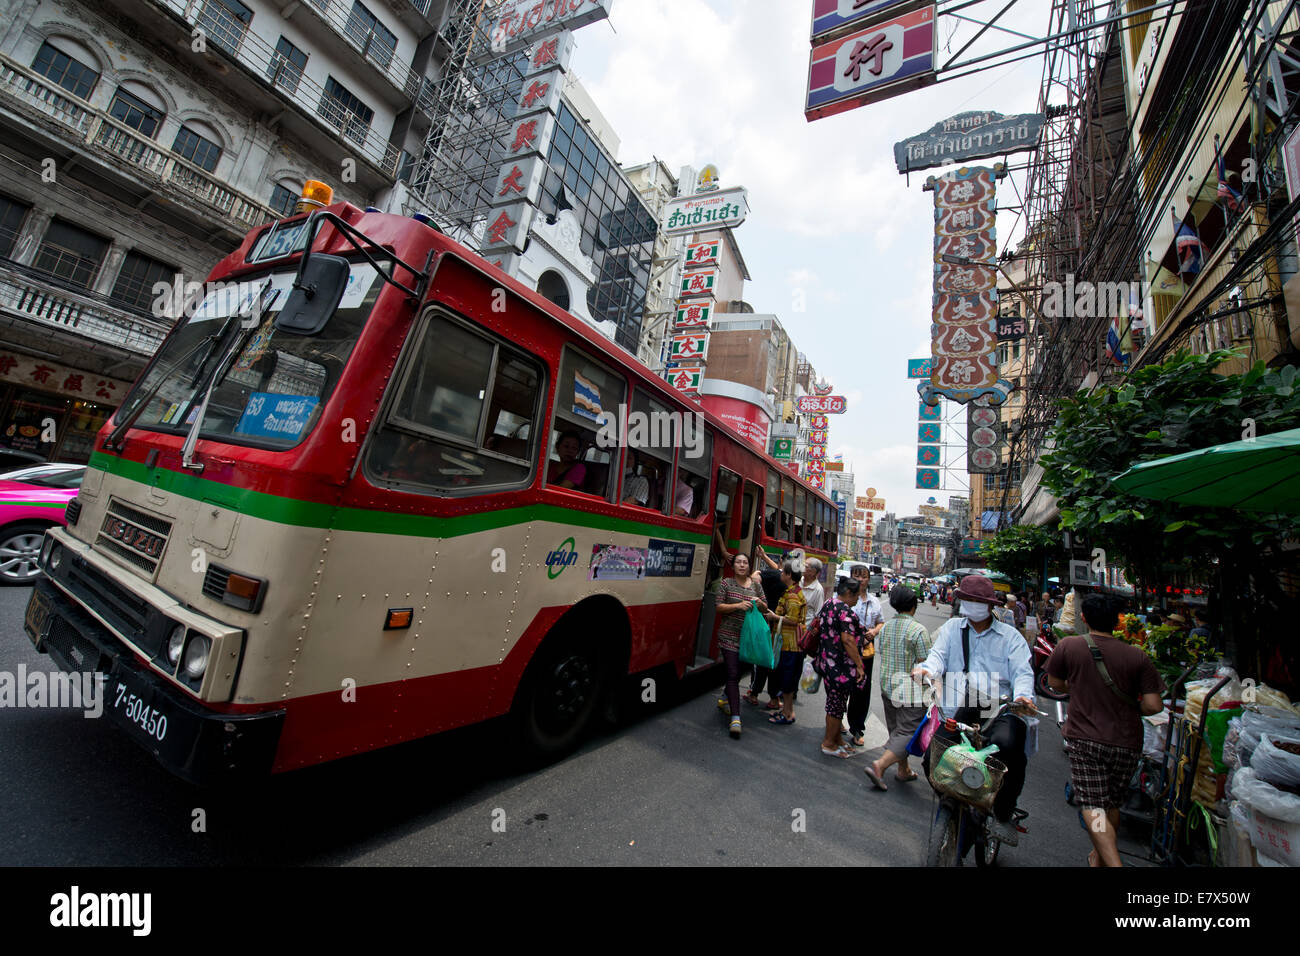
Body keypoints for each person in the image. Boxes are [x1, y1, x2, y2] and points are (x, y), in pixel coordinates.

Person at [912, 573, 1035, 844]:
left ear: (990, 605)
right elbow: (937, 657)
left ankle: (1002, 813)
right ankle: (955, 799)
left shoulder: (1010, 637)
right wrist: (926, 670)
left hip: (999, 707)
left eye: (976, 601)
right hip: (959, 706)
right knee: (932, 758)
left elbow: (1022, 672)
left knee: (1010, 748)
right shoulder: (952, 629)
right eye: (966, 599)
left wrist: (1024, 696)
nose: (970, 605)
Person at [1046, 593, 1165, 867]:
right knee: (1112, 804)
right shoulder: (1137, 656)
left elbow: (1055, 683)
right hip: (1127, 741)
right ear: (1117, 621)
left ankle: (1113, 863)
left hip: (1086, 739)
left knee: (1092, 805)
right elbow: (1153, 705)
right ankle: (1098, 858)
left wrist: (1079, 691)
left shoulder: (1070, 647)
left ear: (1084, 618)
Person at [864, 584, 934, 789]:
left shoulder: (885, 627)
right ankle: (880, 765)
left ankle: (903, 770)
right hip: (910, 693)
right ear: (914, 606)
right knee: (907, 733)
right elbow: (926, 663)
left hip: (888, 686)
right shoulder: (918, 630)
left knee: (897, 731)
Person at [811, 577, 869, 758]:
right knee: (836, 706)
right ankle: (828, 743)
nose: (858, 600)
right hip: (840, 668)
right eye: (857, 596)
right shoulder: (845, 611)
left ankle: (837, 740)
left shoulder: (830, 603)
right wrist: (859, 665)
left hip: (827, 662)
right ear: (849, 593)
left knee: (837, 703)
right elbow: (848, 640)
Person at [714, 552, 768, 738]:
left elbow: (765, 608)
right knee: (733, 673)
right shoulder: (726, 584)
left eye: (745, 562)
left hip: (749, 640)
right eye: (739, 562)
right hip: (728, 635)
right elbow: (719, 607)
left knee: (737, 674)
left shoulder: (756, 586)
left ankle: (725, 698)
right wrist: (738, 606)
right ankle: (736, 718)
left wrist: (758, 603)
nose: (742, 565)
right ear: (733, 565)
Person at [845, 564, 884, 748]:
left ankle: (857, 727)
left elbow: (881, 622)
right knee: (843, 686)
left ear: (869, 579)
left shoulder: (874, 602)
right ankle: (837, 722)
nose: (860, 580)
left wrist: (874, 632)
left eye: (864, 577)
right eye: (856, 576)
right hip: (845, 649)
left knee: (862, 689)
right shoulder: (845, 597)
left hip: (866, 651)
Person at [765, 562, 807, 726]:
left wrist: (774, 617)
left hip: (791, 644)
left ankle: (788, 714)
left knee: (788, 680)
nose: (780, 574)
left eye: (783, 572)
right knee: (787, 679)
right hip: (790, 643)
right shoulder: (792, 591)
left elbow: (793, 620)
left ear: (789, 575)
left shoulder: (792, 596)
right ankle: (786, 711)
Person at [745, 548, 785, 711]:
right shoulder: (796, 584)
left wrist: (760, 599)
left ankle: (754, 694)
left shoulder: (775, 576)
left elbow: (755, 578)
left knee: (760, 660)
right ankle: (774, 698)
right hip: (782, 630)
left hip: (768, 622)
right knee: (774, 662)